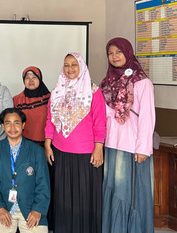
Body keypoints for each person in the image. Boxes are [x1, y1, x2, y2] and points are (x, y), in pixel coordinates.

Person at [44, 53, 106, 233]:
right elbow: (50, 120)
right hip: (60, 152)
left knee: (84, 197)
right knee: (63, 197)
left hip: (86, 154)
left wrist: (99, 148)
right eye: (66, 65)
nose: (70, 69)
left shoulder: (93, 91)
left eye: (74, 65)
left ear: (82, 67)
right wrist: (48, 143)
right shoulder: (57, 91)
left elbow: (100, 122)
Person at [100, 38, 155, 233]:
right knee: (113, 191)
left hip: (132, 148)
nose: (114, 57)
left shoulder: (142, 82)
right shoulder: (106, 83)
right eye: (110, 53)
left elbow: (147, 117)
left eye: (118, 52)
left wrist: (143, 148)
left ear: (128, 52)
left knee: (129, 195)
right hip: (112, 145)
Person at [0, 108, 50, 233]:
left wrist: (38, 209)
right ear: (3, 126)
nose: (12, 127)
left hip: (31, 209)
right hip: (3, 208)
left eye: (16, 122)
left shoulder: (36, 151)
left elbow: (43, 183)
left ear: (23, 125)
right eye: (8, 123)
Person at [12, 67, 51, 144]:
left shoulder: (50, 99)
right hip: (24, 144)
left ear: (40, 79)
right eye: (27, 78)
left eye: (34, 77)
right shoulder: (17, 100)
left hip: (47, 144)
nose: (31, 80)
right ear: (24, 80)